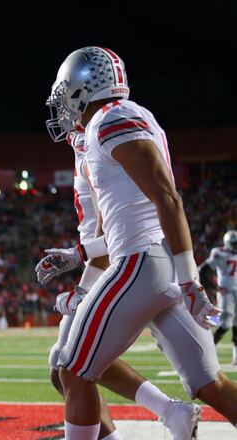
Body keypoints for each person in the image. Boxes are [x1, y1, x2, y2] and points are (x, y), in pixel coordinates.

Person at [44, 46, 237, 440]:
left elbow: (168, 198)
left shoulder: (111, 118)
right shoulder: (118, 121)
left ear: (84, 88)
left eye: (67, 95)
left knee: (73, 371)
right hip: (153, 264)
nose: (64, 107)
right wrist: (78, 255)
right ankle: (175, 415)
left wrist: (191, 282)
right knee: (208, 383)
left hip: (140, 265)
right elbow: (123, 221)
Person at [38, 117, 199, 439]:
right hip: (120, 261)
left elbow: (110, 231)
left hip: (122, 262)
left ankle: (171, 410)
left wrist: (83, 285)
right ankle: (171, 410)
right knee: (69, 368)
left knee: (70, 366)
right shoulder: (86, 148)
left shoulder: (97, 151)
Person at [200, 230, 237, 364]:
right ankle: (209, 350)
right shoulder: (219, 253)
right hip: (226, 292)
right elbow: (202, 270)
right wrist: (215, 288)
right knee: (226, 323)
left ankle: (236, 358)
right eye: (234, 244)